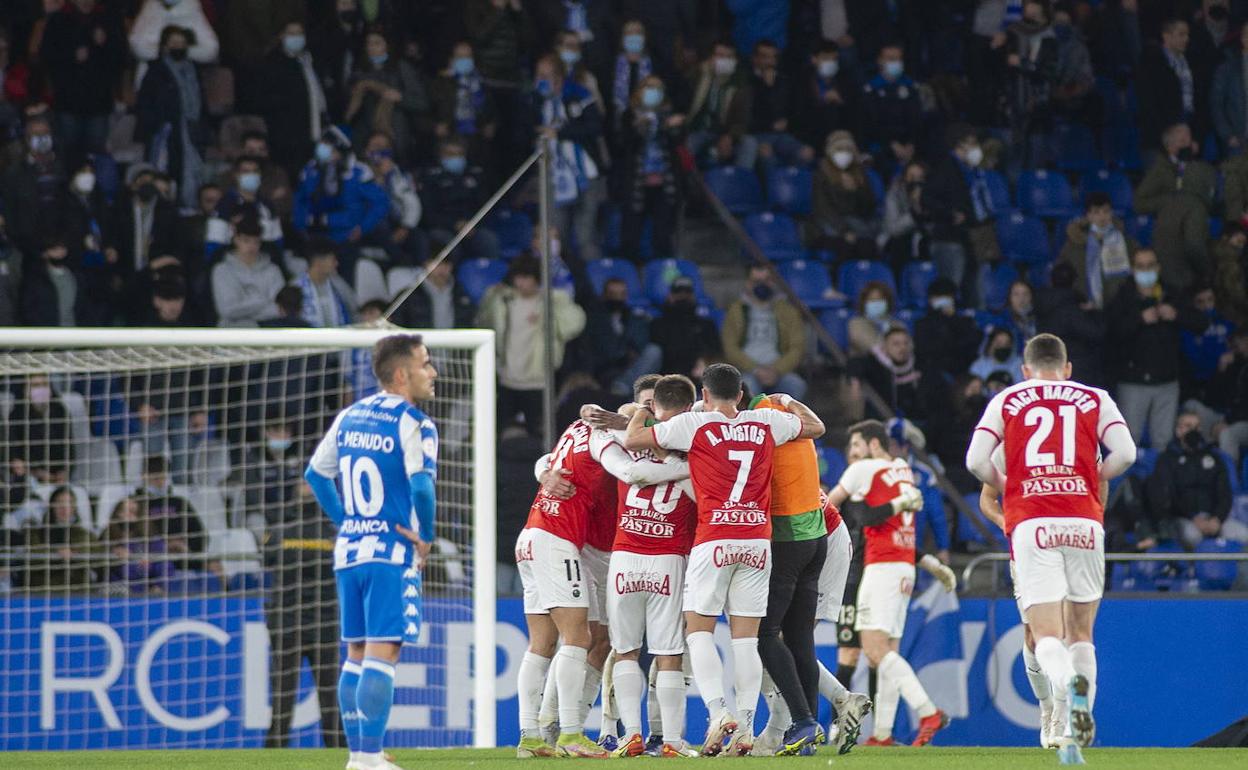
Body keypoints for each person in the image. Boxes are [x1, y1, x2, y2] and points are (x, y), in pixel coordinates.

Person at [623, 363, 825, 756]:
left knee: (698, 630)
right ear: (741, 394)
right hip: (757, 542)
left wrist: (642, 411)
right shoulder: (766, 421)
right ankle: (745, 728)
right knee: (746, 639)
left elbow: (634, 440)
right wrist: (787, 400)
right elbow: (816, 427)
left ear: (704, 394)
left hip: (714, 538)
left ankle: (718, 711)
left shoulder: (693, 425)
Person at [967, 333, 1138, 763]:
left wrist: (1015, 489)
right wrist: (1091, 479)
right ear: (1068, 368)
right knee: (1080, 635)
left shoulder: (1009, 402)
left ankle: (1066, 695)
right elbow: (1127, 454)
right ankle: (1073, 725)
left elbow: (974, 462)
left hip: (1033, 524)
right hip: (1083, 522)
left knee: (1044, 634)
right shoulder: (1094, 398)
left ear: (1025, 370)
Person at [305, 334, 440, 770]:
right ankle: (366, 757)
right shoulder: (415, 423)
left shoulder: (350, 415)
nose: (433, 372)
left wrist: (346, 520)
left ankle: (361, 753)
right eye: (424, 364)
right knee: (384, 653)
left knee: (356, 654)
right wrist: (426, 535)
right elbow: (422, 487)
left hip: (349, 552)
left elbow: (316, 475)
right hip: (390, 553)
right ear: (401, 374)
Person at [570, 377, 698, 758]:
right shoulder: (694, 450)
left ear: (652, 407)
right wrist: (680, 469)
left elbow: (607, 443)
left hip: (624, 558)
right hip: (668, 559)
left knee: (625, 650)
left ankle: (631, 734)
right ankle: (671, 740)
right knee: (668, 654)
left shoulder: (626, 445)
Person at [748, 393, 871, 757]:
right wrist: (789, 400)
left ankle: (783, 729)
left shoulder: (759, 435)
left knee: (774, 638)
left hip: (816, 538)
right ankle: (837, 702)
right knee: (788, 638)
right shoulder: (791, 430)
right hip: (819, 536)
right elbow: (815, 425)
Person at [825, 420, 948, 748]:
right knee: (887, 650)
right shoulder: (903, 470)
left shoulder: (863, 470)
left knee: (873, 649)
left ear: (873, 444)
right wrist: (931, 562)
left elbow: (830, 504)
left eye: (858, 444)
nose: (854, 452)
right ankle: (882, 733)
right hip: (903, 565)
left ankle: (928, 712)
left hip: (881, 566)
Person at [512, 415, 620, 759]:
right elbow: (630, 467)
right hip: (556, 541)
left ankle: (530, 737)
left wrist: (544, 472)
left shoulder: (575, 429)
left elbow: (547, 459)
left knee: (541, 644)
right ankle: (571, 733)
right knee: (578, 638)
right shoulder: (605, 439)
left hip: (530, 536)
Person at [1106, 248, 1209, 450]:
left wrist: (1176, 314)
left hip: (1167, 381)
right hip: (1133, 381)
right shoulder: (1123, 296)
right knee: (1128, 442)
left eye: (1150, 265)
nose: (1146, 270)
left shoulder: (1172, 293)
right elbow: (1110, 332)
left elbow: (1201, 323)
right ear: (1133, 269)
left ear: (1158, 268)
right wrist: (1139, 319)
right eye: (1141, 266)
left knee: (1163, 442)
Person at [476, 255, 586, 436]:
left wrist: (551, 312)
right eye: (518, 277)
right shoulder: (503, 301)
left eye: (526, 277)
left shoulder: (552, 302)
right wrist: (491, 297)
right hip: (506, 379)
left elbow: (574, 325)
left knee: (539, 435)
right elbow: (483, 322)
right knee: (498, 433)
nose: (521, 283)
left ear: (537, 279)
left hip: (538, 381)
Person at [532, 52, 606, 261]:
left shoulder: (579, 94)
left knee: (585, 237)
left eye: (545, 76)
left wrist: (561, 133)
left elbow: (595, 127)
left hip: (586, 174)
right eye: (538, 75)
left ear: (558, 76)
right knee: (555, 235)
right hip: (553, 176)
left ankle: (592, 278)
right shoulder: (536, 100)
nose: (540, 80)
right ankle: (559, 277)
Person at [41, 0, 126, 169]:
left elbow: (121, 58)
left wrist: (105, 44)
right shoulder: (59, 20)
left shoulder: (109, 19)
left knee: (96, 155)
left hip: (98, 102)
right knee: (68, 153)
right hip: (68, 101)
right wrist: (71, 56)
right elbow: (47, 57)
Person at [1133, 122, 1216, 294]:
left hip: (1195, 233)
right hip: (1171, 240)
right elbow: (1139, 203)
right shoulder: (1160, 170)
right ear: (1170, 146)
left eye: (1189, 139)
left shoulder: (1201, 169)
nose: (1188, 144)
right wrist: (1168, 201)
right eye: (1182, 141)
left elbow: (1211, 199)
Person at [1146, 411, 1245, 549]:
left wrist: (1217, 519)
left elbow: (1225, 494)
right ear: (1178, 430)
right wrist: (1192, 518)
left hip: (1214, 519)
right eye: (1188, 426)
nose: (1194, 430)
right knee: (1191, 536)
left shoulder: (1214, 458)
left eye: (1197, 427)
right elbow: (1169, 497)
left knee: (1244, 535)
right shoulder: (1167, 459)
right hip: (1184, 518)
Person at [135, 25, 207, 209]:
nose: (178, 46)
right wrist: (156, 128)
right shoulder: (155, 71)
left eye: (182, 43)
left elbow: (201, 103)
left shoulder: (194, 70)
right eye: (174, 42)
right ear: (165, 46)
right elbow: (145, 103)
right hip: (165, 134)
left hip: (191, 133)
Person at [293, 126, 390, 261]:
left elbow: (381, 203)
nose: (322, 148)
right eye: (322, 143)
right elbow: (300, 200)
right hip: (314, 236)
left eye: (328, 145)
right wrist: (300, 226)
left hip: (345, 238)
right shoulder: (310, 170)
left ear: (340, 150)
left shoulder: (358, 173)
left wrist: (362, 227)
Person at [922, 124, 994, 305]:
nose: (976, 148)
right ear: (959, 145)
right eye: (972, 143)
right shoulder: (945, 168)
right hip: (950, 238)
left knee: (976, 288)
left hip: (974, 235)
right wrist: (950, 214)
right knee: (950, 287)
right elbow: (927, 198)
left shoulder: (974, 170)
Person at [614, 75, 684, 261]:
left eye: (657, 89)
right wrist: (639, 127)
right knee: (630, 235)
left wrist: (669, 127)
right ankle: (630, 272)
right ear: (639, 91)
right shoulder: (629, 116)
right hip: (636, 183)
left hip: (664, 184)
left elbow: (677, 143)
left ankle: (663, 271)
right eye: (649, 87)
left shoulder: (670, 116)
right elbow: (623, 145)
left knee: (663, 236)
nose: (653, 92)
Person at [721, 264, 808, 400]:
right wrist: (755, 369)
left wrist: (777, 369)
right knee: (747, 386)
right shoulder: (736, 310)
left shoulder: (788, 311)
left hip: (779, 371)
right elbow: (730, 346)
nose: (762, 285)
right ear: (748, 284)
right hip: (747, 371)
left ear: (774, 282)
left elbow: (797, 347)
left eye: (767, 280)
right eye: (757, 281)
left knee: (796, 385)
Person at [344, 28, 429, 165]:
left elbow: (422, 103)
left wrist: (400, 97)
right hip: (366, 138)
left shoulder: (401, 68)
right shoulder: (359, 72)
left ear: (387, 46)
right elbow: (350, 111)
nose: (372, 47)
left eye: (377, 43)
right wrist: (356, 95)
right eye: (369, 43)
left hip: (397, 138)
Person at [259, 20, 329, 180]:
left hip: (315, 132)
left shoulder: (309, 60)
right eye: (291, 33)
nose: (296, 37)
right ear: (281, 36)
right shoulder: (273, 63)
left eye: (299, 33)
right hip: (288, 138)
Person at [418, 138, 500, 261]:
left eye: (459, 154)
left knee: (488, 240)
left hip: (472, 226)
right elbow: (428, 213)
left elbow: (484, 205)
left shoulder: (475, 174)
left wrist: (472, 224)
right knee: (447, 245)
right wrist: (454, 224)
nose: (455, 158)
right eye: (450, 154)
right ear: (441, 156)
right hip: (443, 227)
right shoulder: (430, 177)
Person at [808, 130, 879, 263]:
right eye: (839, 149)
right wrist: (844, 231)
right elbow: (823, 209)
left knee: (868, 246)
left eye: (848, 149)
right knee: (846, 246)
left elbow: (868, 208)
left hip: (856, 225)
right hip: (829, 226)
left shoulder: (859, 174)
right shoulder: (821, 175)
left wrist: (857, 190)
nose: (844, 153)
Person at [1057, 191, 1137, 310]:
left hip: (1119, 307)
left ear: (1111, 213)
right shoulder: (1073, 245)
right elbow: (1062, 275)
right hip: (1084, 306)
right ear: (1088, 216)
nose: (1102, 216)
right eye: (1096, 212)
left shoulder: (1126, 242)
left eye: (1106, 211)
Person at [685, 41, 755, 169]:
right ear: (711, 57)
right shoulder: (696, 75)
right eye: (720, 55)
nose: (724, 60)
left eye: (729, 57)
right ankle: (690, 180)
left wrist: (730, 136)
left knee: (749, 143)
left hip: (725, 132)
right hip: (699, 130)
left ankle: (741, 179)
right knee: (688, 145)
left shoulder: (740, 83)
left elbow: (743, 119)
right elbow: (683, 103)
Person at [858, 42, 923, 174]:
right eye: (891, 59)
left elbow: (917, 118)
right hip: (881, 148)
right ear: (880, 61)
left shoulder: (911, 87)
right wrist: (891, 144)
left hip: (909, 148)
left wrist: (912, 143)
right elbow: (870, 123)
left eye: (898, 59)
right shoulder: (871, 89)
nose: (896, 63)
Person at [1136, 19, 1201, 152]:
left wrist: (1193, 133)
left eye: (1187, 35)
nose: (1186, 39)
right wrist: (1167, 134)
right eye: (1181, 34)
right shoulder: (1151, 63)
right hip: (1160, 135)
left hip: (1187, 130)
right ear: (1166, 36)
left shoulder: (1191, 61)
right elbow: (1148, 102)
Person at [210, 217, 285, 328]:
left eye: (256, 242)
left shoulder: (273, 270)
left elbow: (280, 309)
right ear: (236, 239)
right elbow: (227, 310)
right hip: (231, 331)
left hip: (268, 330)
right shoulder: (222, 271)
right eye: (246, 240)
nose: (251, 247)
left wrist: (244, 309)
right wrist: (263, 302)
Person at [25, 486, 98, 593]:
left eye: (69, 503)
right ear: (52, 506)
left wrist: (75, 552)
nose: (64, 508)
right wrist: (56, 552)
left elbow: (98, 552)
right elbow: (32, 554)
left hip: (78, 590)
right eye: (59, 503)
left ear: (74, 508)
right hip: (44, 589)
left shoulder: (84, 534)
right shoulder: (36, 533)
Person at [647, 277, 722, 380]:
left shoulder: (706, 324)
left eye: (687, 292)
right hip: (665, 380)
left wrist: (704, 361)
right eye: (678, 292)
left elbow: (716, 352)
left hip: (699, 377)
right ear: (669, 296)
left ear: (693, 296)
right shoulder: (657, 324)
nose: (683, 296)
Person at [7, 373, 73, 485]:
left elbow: (70, 451)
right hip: (28, 480)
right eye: (36, 385)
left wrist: (64, 472)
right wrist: (37, 473)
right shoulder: (16, 415)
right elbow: (14, 459)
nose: (41, 389)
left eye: (44, 384)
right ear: (26, 390)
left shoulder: (61, 412)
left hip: (58, 480)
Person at [913, 277, 980, 382]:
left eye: (946, 297)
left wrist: (953, 319)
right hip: (931, 374)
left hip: (961, 372)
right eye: (938, 297)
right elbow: (923, 351)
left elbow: (969, 349)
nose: (942, 301)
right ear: (930, 299)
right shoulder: (922, 324)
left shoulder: (965, 322)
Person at [392, 255, 475, 331]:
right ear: (426, 265)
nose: (442, 269)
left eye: (446, 264)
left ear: (451, 266)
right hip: (420, 342)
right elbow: (397, 326)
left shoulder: (463, 294)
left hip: (455, 342)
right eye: (437, 264)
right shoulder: (408, 296)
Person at [128, 0, 218, 67]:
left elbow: (211, 49)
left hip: (186, 76)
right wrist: (162, 51)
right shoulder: (150, 8)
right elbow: (136, 46)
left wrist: (184, 51)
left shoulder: (192, 8)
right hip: (151, 75)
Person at [20, 235, 82, 328]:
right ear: (44, 253)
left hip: (74, 332)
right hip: (46, 333)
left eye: (62, 248)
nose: (60, 253)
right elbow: (28, 310)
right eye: (54, 249)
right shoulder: (35, 280)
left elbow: (83, 308)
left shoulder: (76, 277)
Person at [295, 238, 356, 328]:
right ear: (318, 262)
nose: (337, 263)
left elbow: (354, 308)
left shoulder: (338, 285)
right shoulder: (296, 287)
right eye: (333, 260)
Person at [1210, 22, 1248, 155]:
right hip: (1239, 140)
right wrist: (1227, 134)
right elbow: (1216, 103)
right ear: (1243, 38)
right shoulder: (1228, 68)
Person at [848, 281, 898, 357]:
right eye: (872, 300)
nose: (876, 303)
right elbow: (871, 346)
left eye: (880, 300)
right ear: (864, 303)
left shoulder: (897, 325)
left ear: (888, 302)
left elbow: (907, 347)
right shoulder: (856, 324)